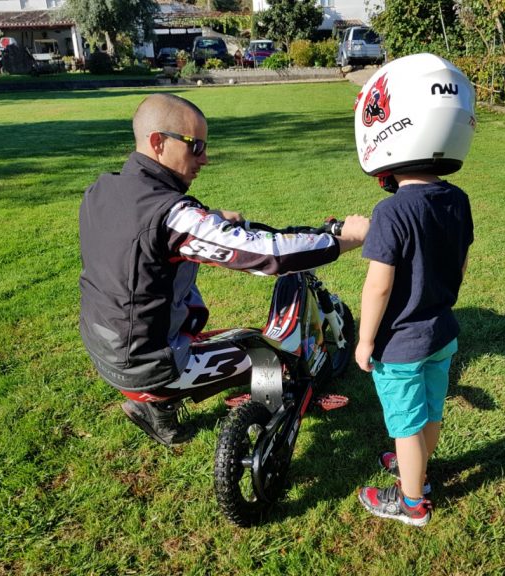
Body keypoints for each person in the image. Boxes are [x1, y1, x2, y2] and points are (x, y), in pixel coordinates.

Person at [79, 93, 369, 448]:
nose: (205, 158)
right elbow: (270, 255)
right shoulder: (173, 216)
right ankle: (266, 435)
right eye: (195, 146)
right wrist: (345, 240)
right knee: (275, 356)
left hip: (104, 348)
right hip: (150, 365)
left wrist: (209, 218)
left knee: (226, 333)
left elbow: (143, 231)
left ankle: (157, 410)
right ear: (158, 142)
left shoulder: (101, 188)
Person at [351, 54, 477, 526]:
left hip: (400, 344)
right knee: (431, 410)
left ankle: (411, 502)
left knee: (405, 422)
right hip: (443, 331)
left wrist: (365, 342)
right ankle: (416, 471)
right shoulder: (458, 200)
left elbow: (378, 288)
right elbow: (460, 262)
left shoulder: (390, 214)